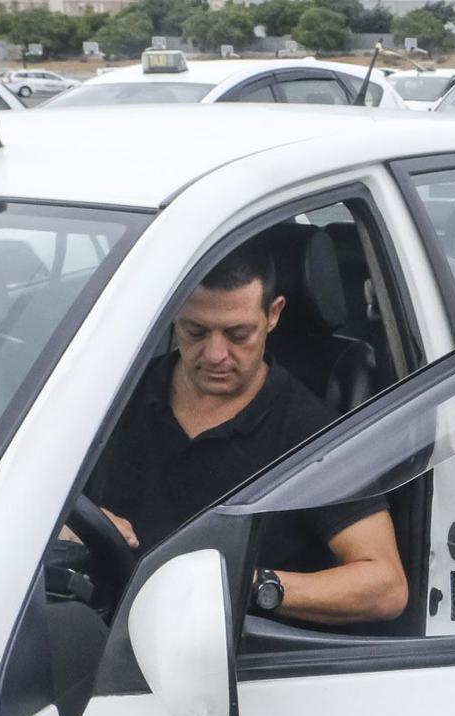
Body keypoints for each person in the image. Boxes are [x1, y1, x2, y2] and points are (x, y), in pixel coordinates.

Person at [86, 241, 408, 626]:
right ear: (174, 314)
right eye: (196, 331)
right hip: (91, 629)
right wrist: (73, 529)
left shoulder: (313, 433)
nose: (215, 355)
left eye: (238, 335)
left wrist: (247, 586)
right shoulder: (110, 398)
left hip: (234, 662)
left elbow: (385, 586)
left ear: (273, 314)